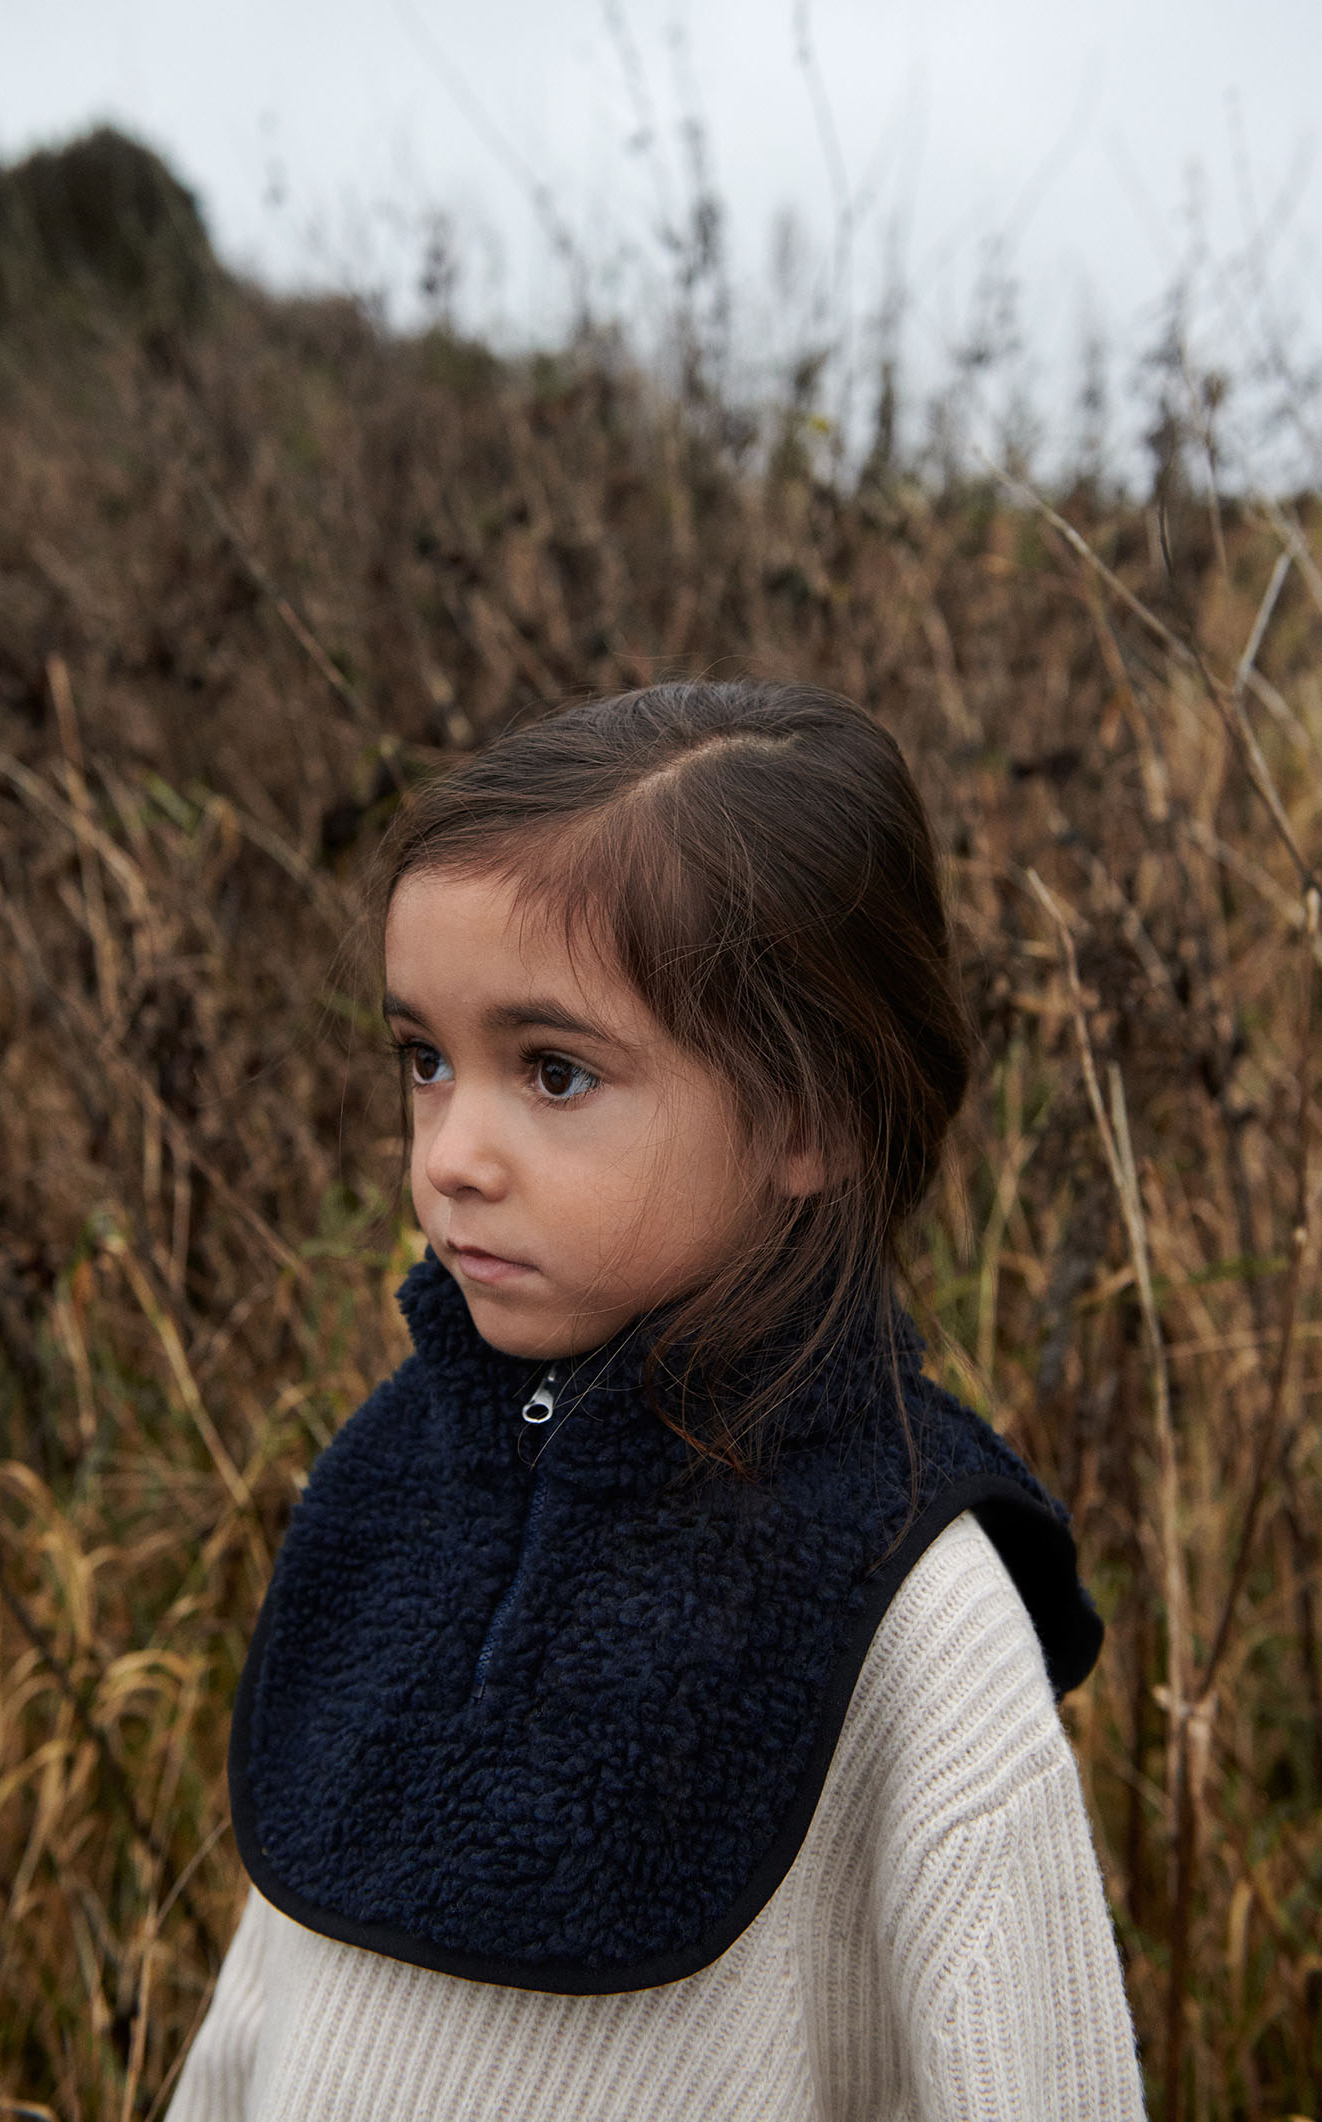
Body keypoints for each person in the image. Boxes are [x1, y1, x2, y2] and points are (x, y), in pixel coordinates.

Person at [170, 680, 1145, 2120]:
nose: (450, 1155)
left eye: (554, 1072)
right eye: (425, 1060)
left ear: (809, 1114)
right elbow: (273, 2009)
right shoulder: (392, 1480)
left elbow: (1041, 2084)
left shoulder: (905, 1593)